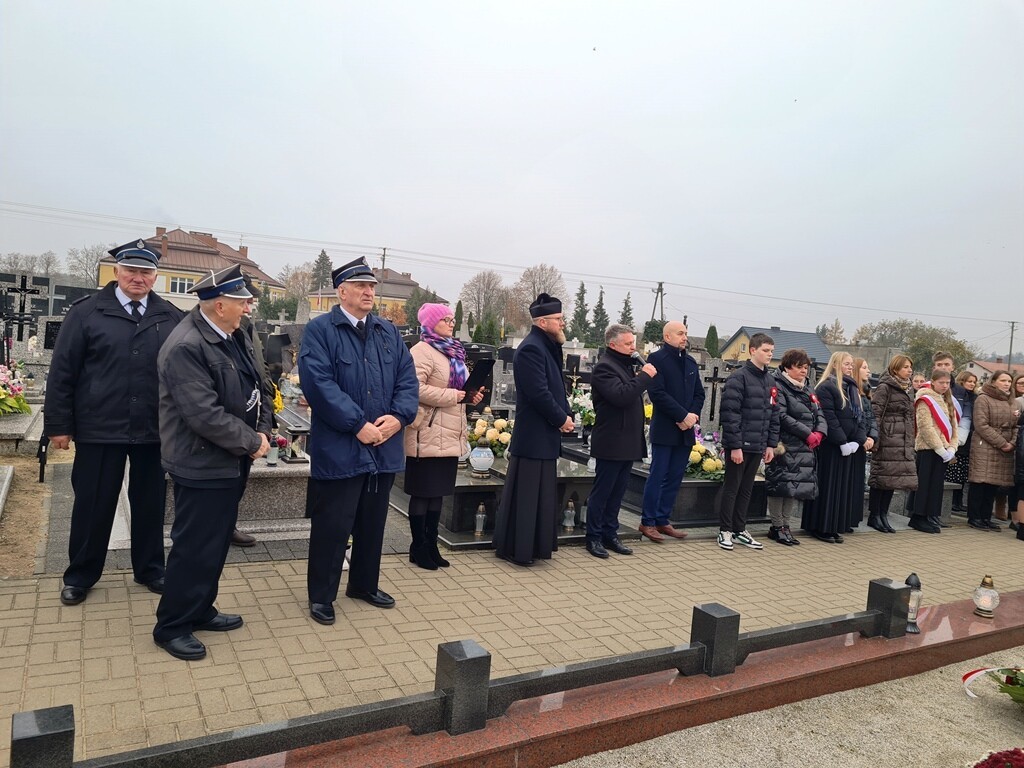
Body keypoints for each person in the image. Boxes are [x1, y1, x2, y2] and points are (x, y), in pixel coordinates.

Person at [45, 239, 183, 606]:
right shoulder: (87, 313)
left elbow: (181, 374)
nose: (138, 277)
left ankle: (151, 569)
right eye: (131, 270)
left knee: (150, 504)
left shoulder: (170, 316)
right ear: (117, 271)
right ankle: (80, 575)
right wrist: (58, 424)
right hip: (100, 427)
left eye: (146, 272)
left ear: (156, 276)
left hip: (153, 429)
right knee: (93, 503)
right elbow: (63, 371)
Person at [153, 265, 271, 660]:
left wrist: (263, 428)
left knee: (216, 543)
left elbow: (258, 385)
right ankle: (172, 626)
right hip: (202, 463)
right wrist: (251, 441)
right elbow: (203, 414)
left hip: (230, 460)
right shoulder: (186, 346)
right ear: (220, 305)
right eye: (243, 302)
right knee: (194, 547)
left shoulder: (232, 334)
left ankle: (200, 608)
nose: (248, 307)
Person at [299, 257, 418, 623]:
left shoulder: (387, 332)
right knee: (333, 526)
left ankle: (364, 584)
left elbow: (407, 380)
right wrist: (357, 425)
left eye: (372, 287)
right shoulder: (320, 331)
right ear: (342, 291)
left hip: (382, 447)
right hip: (342, 448)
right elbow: (319, 385)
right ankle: (322, 596)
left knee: (372, 523)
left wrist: (399, 417)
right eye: (361, 286)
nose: (369, 292)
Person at [493, 293, 574, 566]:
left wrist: (566, 413)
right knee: (527, 497)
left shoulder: (547, 346)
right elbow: (538, 393)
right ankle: (518, 549)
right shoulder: (531, 348)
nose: (562, 323)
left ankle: (535, 547)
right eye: (558, 319)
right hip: (534, 436)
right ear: (542, 322)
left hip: (544, 435)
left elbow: (556, 388)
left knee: (540, 496)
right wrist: (561, 419)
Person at [403, 303, 483, 570]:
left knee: (438, 494)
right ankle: (418, 546)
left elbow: (460, 390)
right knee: (422, 493)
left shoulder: (453, 351)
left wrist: (470, 396)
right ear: (430, 323)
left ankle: (431, 545)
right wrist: (454, 396)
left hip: (449, 433)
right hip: (426, 432)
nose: (451, 323)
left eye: (451, 319)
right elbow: (414, 388)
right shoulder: (422, 351)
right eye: (445, 320)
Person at [585, 324, 659, 558]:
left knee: (618, 493)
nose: (633, 348)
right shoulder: (605, 367)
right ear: (613, 344)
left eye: (633, 343)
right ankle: (594, 537)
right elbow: (621, 396)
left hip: (628, 440)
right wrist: (644, 377)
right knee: (603, 492)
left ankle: (610, 533)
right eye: (628, 344)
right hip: (611, 440)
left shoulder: (625, 365)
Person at [639, 321, 705, 542]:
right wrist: (682, 416)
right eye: (680, 333)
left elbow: (699, 394)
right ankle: (647, 522)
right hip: (666, 428)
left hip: (685, 430)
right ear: (667, 337)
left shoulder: (690, 361)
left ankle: (662, 519)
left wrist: (692, 416)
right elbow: (657, 393)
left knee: (675, 477)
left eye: (686, 333)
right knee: (658, 476)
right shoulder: (657, 359)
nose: (685, 337)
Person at [716, 333, 779, 551]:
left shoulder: (770, 381)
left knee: (746, 488)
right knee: (732, 487)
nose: (769, 355)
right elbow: (730, 414)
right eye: (765, 350)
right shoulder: (738, 378)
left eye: (771, 351)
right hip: (740, 445)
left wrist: (770, 444)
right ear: (753, 350)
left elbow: (773, 414)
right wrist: (735, 446)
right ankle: (725, 530)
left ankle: (739, 529)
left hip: (758, 444)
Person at [801, 352, 866, 544]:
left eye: (851, 364)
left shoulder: (851, 388)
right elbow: (829, 417)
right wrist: (841, 441)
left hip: (848, 446)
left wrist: (857, 440)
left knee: (840, 489)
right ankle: (821, 526)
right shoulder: (826, 387)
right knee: (828, 487)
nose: (850, 367)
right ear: (836, 365)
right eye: (846, 364)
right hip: (831, 447)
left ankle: (834, 525)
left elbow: (860, 417)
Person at [764, 349, 826, 546]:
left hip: (803, 446)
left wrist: (820, 432)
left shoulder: (807, 388)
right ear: (787, 367)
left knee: (792, 486)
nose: (804, 371)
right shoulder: (779, 385)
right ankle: (776, 526)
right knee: (780, 485)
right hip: (784, 443)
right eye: (800, 367)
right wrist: (807, 433)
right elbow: (781, 415)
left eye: (806, 368)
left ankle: (786, 526)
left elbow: (820, 413)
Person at [866, 355, 916, 533]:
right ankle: (874, 515)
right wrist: (876, 439)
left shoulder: (908, 388)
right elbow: (876, 413)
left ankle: (883, 514)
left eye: (910, 367)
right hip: (887, 438)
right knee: (881, 478)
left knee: (892, 479)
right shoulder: (885, 387)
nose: (909, 370)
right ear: (895, 369)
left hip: (901, 439)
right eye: (905, 367)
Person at [966, 370, 1018, 531]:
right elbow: (981, 425)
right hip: (985, 445)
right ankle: (974, 517)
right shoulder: (983, 398)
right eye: (1003, 380)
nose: (1007, 384)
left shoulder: (1012, 401)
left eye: (1009, 381)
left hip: (1005, 448)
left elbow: (1016, 425)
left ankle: (986, 517)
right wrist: (1002, 442)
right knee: (980, 482)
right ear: (994, 381)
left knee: (993, 485)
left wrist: (1012, 443)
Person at [909, 369, 958, 533]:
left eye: (947, 383)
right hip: (928, 448)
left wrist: (952, 447)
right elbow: (925, 427)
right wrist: (940, 448)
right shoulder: (925, 399)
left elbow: (954, 427)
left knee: (936, 485)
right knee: (924, 484)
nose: (945, 386)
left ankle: (930, 515)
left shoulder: (947, 399)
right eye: (941, 382)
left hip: (945, 449)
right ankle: (918, 517)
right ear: (933, 382)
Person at [848, 358, 877, 532]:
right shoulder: (851, 391)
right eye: (864, 367)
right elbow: (853, 419)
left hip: (863, 444)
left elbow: (871, 417)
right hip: (854, 443)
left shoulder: (866, 393)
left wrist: (872, 436)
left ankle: (852, 519)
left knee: (857, 485)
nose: (868, 371)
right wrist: (862, 438)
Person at [948, 371, 978, 513]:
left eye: (974, 382)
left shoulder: (976, 398)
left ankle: (959, 501)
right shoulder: (957, 395)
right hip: (957, 437)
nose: (972, 384)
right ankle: (953, 501)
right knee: (954, 472)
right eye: (969, 381)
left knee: (963, 474)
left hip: (969, 438)